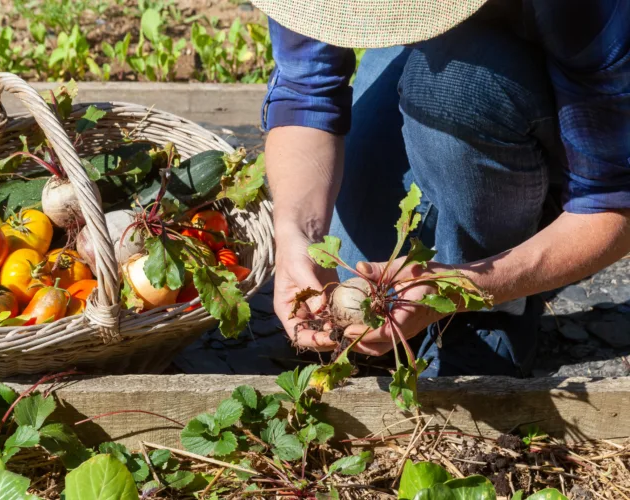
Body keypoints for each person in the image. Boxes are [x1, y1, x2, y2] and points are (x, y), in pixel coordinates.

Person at [250, 0, 630, 376]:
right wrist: (297, 232)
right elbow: (305, 93)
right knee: (353, 269)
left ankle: (495, 304)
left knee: (454, 86)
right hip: (433, 56)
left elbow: (613, 198)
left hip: (577, 92)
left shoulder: (593, 13)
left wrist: (457, 287)